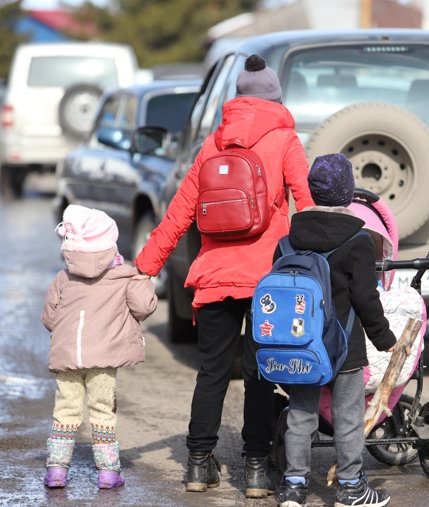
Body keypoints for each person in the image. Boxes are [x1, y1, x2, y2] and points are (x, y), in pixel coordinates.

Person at [134, 54, 314, 498]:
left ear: (236, 99)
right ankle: (255, 469)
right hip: (267, 282)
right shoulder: (285, 141)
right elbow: (308, 207)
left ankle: (198, 463)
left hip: (213, 278)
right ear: (275, 97)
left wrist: (143, 268)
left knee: (212, 372)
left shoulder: (211, 146)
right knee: (259, 373)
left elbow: (177, 216)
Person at [276, 153, 396, 507]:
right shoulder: (358, 240)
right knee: (347, 417)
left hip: (301, 343)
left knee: (300, 414)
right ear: (347, 194)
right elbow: (365, 298)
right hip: (344, 346)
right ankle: (350, 488)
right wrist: (384, 338)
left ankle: (293, 488)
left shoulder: (289, 238)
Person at [41, 205, 158, 489]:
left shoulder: (63, 279)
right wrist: (143, 282)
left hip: (67, 358)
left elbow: (49, 318)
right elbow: (144, 308)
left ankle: (57, 470)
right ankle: (107, 472)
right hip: (103, 361)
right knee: (103, 411)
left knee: (66, 411)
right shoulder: (123, 278)